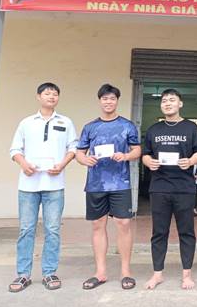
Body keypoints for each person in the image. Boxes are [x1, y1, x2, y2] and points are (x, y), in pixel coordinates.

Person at [8, 82, 77, 293]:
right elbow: (15, 149)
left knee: (53, 230)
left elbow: (73, 148)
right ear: (38, 97)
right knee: (26, 229)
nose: (51, 96)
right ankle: (23, 274)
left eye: (55, 94)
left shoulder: (65, 122)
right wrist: (24, 164)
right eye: (47, 93)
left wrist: (62, 165)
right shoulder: (26, 123)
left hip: (55, 185)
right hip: (28, 185)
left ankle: (49, 272)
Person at [75, 84, 141, 291]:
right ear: (100, 101)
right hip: (96, 184)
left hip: (120, 183)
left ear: (117, 101)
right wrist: (84, 160)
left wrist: (126, 156)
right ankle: (100, 272)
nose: (108, 102)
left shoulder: (127, 125)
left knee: (123, 223)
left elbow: (137, 150)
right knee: (98, 225)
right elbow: (79, 153)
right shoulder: (90, 127)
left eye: (112, 98)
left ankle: (126, 272)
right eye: (105, 98)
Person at [142, 89, 197, 290]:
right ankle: (157, 274)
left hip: (184, 188)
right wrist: (148, 162)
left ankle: (187, 275)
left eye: (172, 100)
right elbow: (145, 154)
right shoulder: (154, 129)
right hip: (159, 187)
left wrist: (191, 161)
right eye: (164, 101)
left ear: (180, 103)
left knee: (186, 232)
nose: (167, 103)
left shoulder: (191, 128)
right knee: (159, 232)